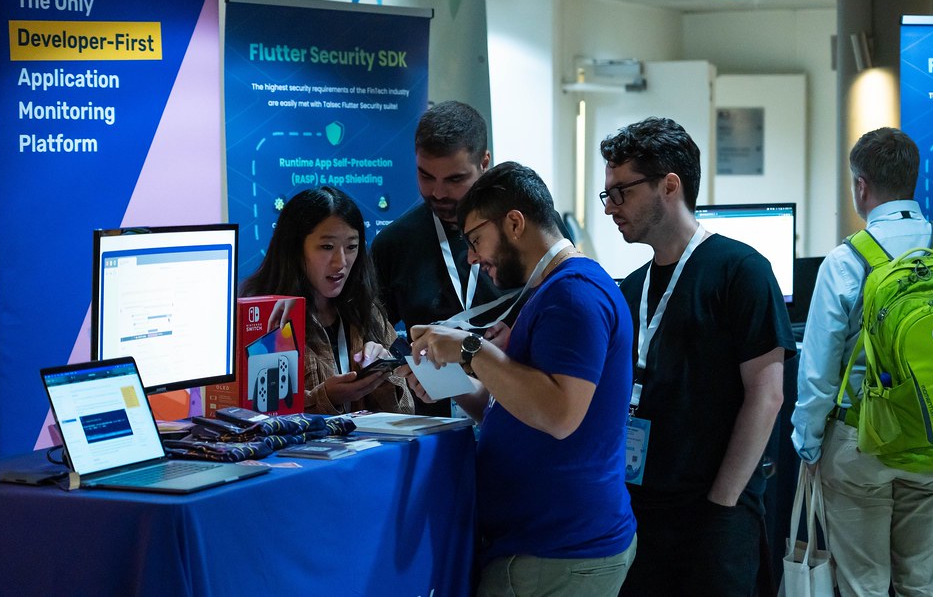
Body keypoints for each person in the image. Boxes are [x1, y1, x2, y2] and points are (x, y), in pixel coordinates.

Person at [402, 161, 637, 596]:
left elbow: (559, 414)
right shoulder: (552, 290)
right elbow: (515, 403)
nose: (473, 258)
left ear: (514, 223)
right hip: (547, 545)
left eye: (476, 240)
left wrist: (471, 349)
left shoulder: (573, 294)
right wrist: (451, 379)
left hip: (557, 552)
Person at [599, 117, 793, 596]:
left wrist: (721, 503)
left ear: (669, 186)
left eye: (620, 192)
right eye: (607, 195)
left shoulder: (741, 271)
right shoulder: (632, 287)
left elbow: (766, 396)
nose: (610, 208)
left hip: (714, 514)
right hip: (639, 509)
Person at [791, 127, 933, 596]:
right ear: (914, 178)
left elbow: (819, 372)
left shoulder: (847, 260)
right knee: (922, 581)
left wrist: (807, 443)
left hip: (860, 443)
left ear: (861, 187)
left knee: (863, 583)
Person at [371, 100, 512, 416]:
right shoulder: (393, 244)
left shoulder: (522, 231)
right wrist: (397, 362)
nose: (437, 193)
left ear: (485, 162)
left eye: (454, 179)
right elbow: (374, 332)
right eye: (425, 176)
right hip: (433, 425)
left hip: (515, 414)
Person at [242, 186, 413, 415]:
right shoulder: (267, 317)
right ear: (294, 249)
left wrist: (382, 377)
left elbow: (407, 414)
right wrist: (324, 399)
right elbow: (257, 414)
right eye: (327, 247)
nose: (341, 261)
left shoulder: (365, 310)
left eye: (352, 247)